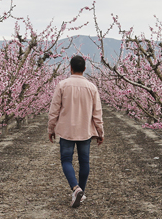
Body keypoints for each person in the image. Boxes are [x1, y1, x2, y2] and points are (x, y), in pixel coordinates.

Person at [48, 55, 104, 208]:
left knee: (66, 160)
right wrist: (100, 132)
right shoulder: (92, 87)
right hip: (85, 130)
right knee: (84, 162)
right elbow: (97, 113)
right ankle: (81, 191)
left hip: (66, 130)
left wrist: (51, 129)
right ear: (84, 69)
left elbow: (54, 111)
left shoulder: (62, 85)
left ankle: (75, 188)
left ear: (70, 68)